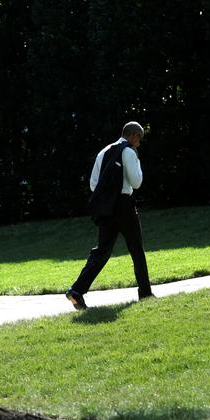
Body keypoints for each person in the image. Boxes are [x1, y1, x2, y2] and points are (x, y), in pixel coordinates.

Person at [65, 121, 154, 310]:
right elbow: (136, 182)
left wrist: (107, 198)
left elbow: (93, 184)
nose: (138, 144)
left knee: (102, 251)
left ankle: (76, 291)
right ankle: (145, 293)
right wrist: (137, 160)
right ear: (134, 136)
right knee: (136, 248)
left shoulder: (103, 152)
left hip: (106, 207)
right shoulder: (128, 151)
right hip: (124, 205)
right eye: (139, 140)